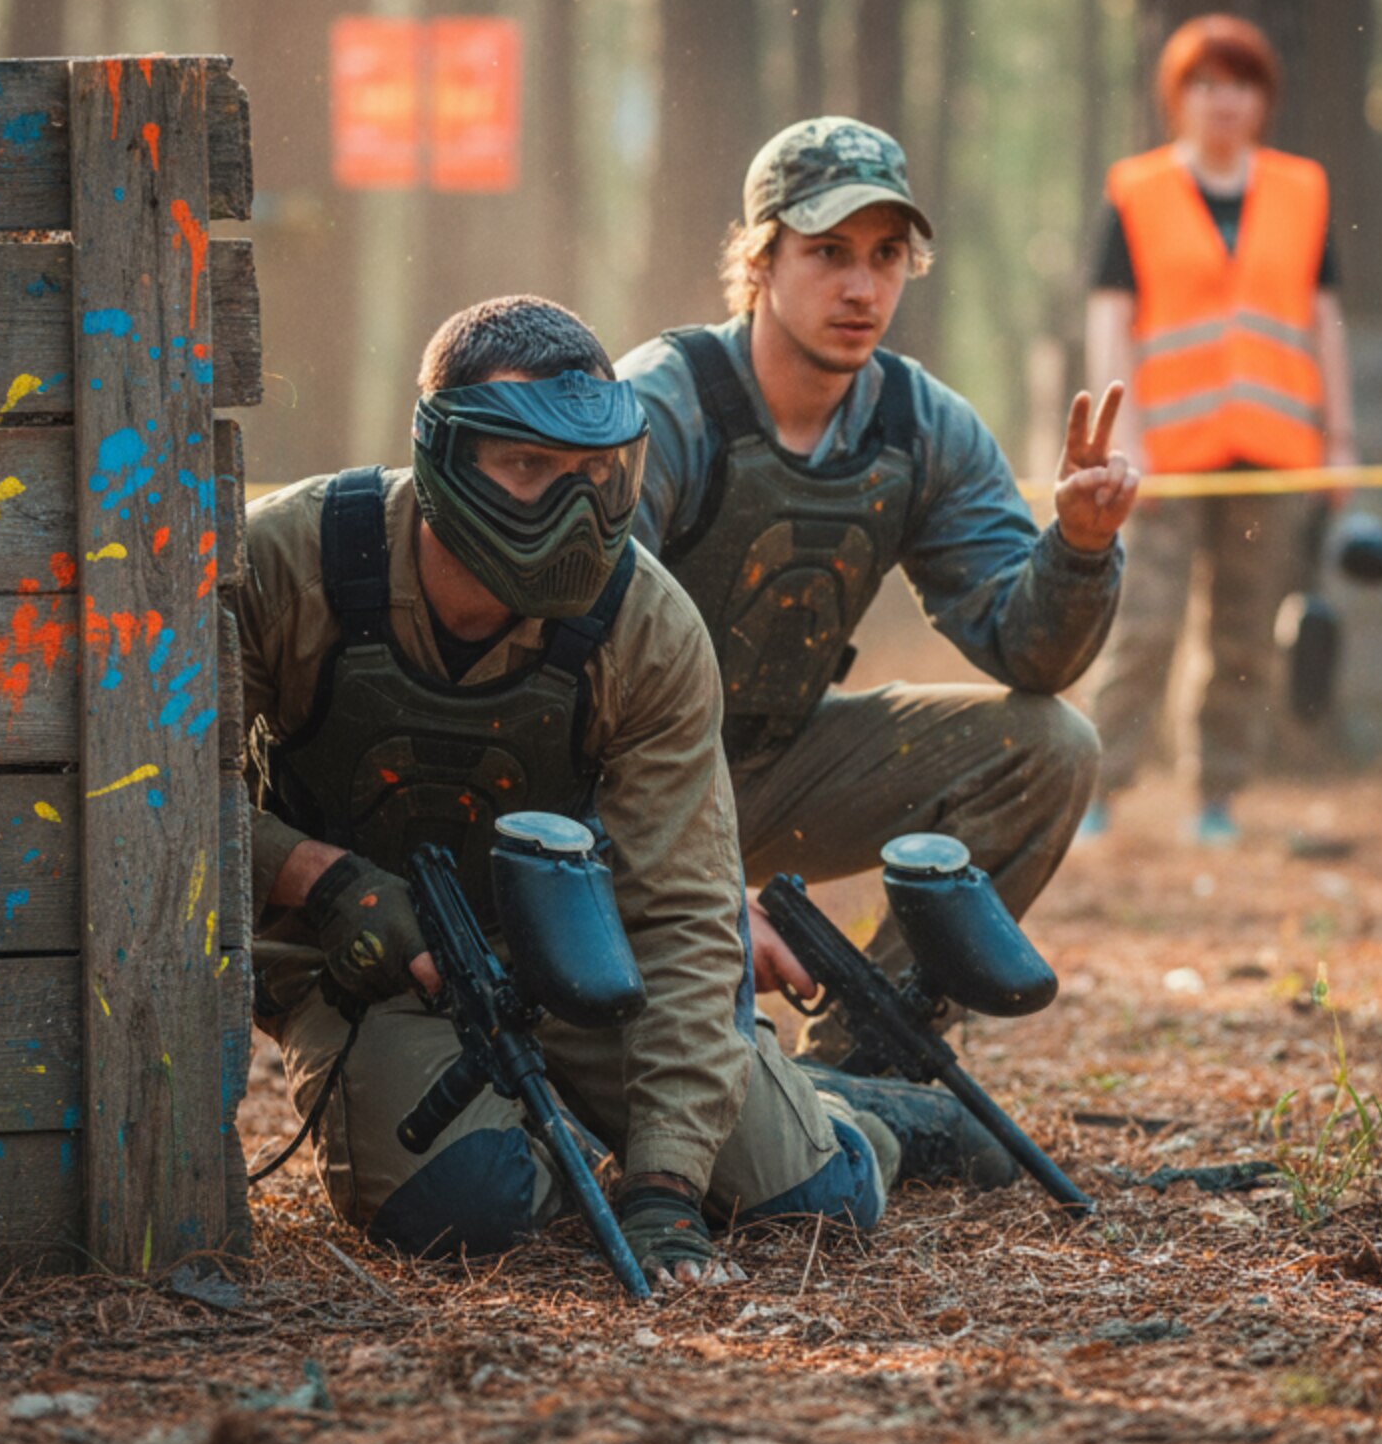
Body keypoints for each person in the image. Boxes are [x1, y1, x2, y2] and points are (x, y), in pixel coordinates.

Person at [238, 296, 1004, 1288]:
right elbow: (154, 804)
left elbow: (685, 914)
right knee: (461, 1207)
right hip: (364, 969)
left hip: (575, 962)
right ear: (441, 453)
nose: (569, 511)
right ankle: (535, 1131)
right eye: (526, 467)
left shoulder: (644, 623)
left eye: (593, 475)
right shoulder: (287, 564)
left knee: (811, 1198)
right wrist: (319, 878)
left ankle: (856, 1111)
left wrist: (666, 1186)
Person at [617, 119, 1136, 1076]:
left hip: (777, 769)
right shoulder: (658, 408)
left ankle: (867, 1060)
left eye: (886, 255)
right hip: (622, 785)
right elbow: (570, 668)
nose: (862, 288)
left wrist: (1079, 549)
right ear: (760, 258)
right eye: (829, 253)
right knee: (649, 1073)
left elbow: (1030, 654)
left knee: (1050, 747)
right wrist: (698, 879)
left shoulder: (920, 424)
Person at [1082, 15, 1358, 848]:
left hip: (1274, 455)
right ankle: (1095, 793)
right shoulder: (1137, 191)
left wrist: (1341, 439)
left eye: (1240, 83)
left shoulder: (1303, 191)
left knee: (1244, 637)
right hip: (1163, 460)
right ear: (1177, 97)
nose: (1223, 100)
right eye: (1204, 84)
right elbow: (1110, 321)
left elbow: (1324, 321)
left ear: (1263, 98)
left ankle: (1217, 799)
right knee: (1145, 627)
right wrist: (1124, 438)